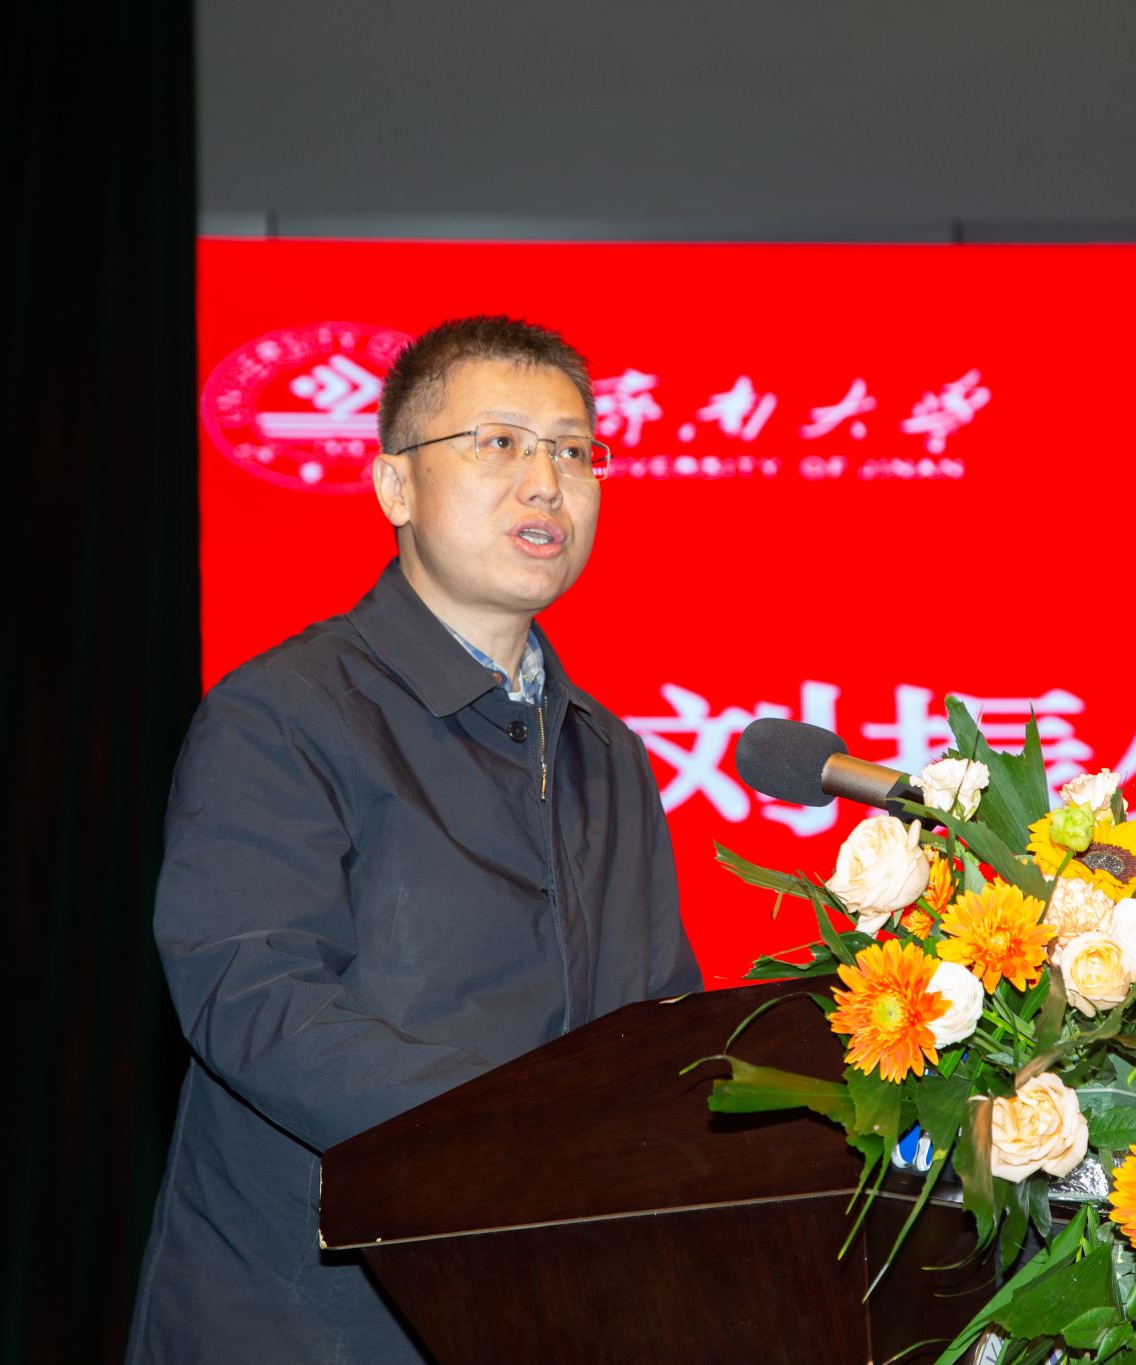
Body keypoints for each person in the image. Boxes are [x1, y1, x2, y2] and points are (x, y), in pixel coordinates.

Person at [128, 316, 702, 1362]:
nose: (546, 483)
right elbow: (254, 997)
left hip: (549, 1303)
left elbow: (657, 1028)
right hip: (318, 1318)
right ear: (395, 486)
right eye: (500, 442)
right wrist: (528, 1130)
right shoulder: (286, 713)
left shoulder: (606, 753)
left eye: (574, 451)